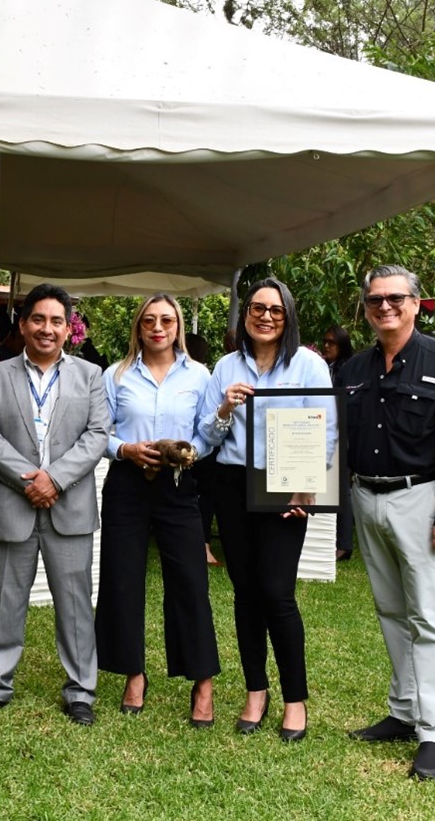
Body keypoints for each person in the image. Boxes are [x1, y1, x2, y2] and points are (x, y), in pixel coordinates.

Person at [340, 264, 435, 781]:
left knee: (429, 617)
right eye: (375, 300)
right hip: (367, 497)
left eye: (395, 298)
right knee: (391, 610)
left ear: (416, 304)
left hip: (421, 500)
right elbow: (332, 436)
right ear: (366, 308)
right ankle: (403, 711)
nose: (385, 307)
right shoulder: (354, 369)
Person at [0, 283, 110, 725]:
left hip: (71, 506)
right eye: (39, 319)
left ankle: (80, 691)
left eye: (56, 321)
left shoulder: (90, 376)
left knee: (76, 604)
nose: (47, 329)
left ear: (69, 328)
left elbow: (97, 435)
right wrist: (31, 480)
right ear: (23, 324)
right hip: (15, 502)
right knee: (6, 600)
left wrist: (56, 479)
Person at [199, 277, 336, 741]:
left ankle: (295, 700)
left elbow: (327, 429)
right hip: (232, 482)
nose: (266, 317)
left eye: (276, 310)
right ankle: (255, 691)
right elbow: (206, 437)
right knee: (245, 592)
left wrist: (307, 487)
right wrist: (224, 408)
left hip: (284, 485)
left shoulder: (309, 365)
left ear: (288, 316)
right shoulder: (225, 367)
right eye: (257, 308)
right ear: (245, 315)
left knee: (277, 593)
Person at [94, 295, 220, 727]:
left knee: (190, 582)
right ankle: (133, 673)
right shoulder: (117, 374)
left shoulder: (200, 375)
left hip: (179, 485)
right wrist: (125, 449)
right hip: (127, 483)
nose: (158, 327)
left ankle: (203, 682)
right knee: (122, 579)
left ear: (178, 326)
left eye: (166, 320)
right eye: (148, 320)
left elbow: (208, 433)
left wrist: (189, 452)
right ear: (139, 327)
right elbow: (100, 431)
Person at [185, 332, 222, 567]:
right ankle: (204, 544)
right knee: (205, 494)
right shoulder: (203, 376)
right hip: (200, 446)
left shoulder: (202, 377)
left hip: (199, 445)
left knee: (204, 493)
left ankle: (204, 544)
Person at [321, 325, 356, 561]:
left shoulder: (347, 370)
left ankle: (344, 544)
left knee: (342, 488)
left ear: (342, 346)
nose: (326, 346)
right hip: (329, 432)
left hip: (343, 435)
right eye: (324, 341)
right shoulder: (328, 367)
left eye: (331, 342)